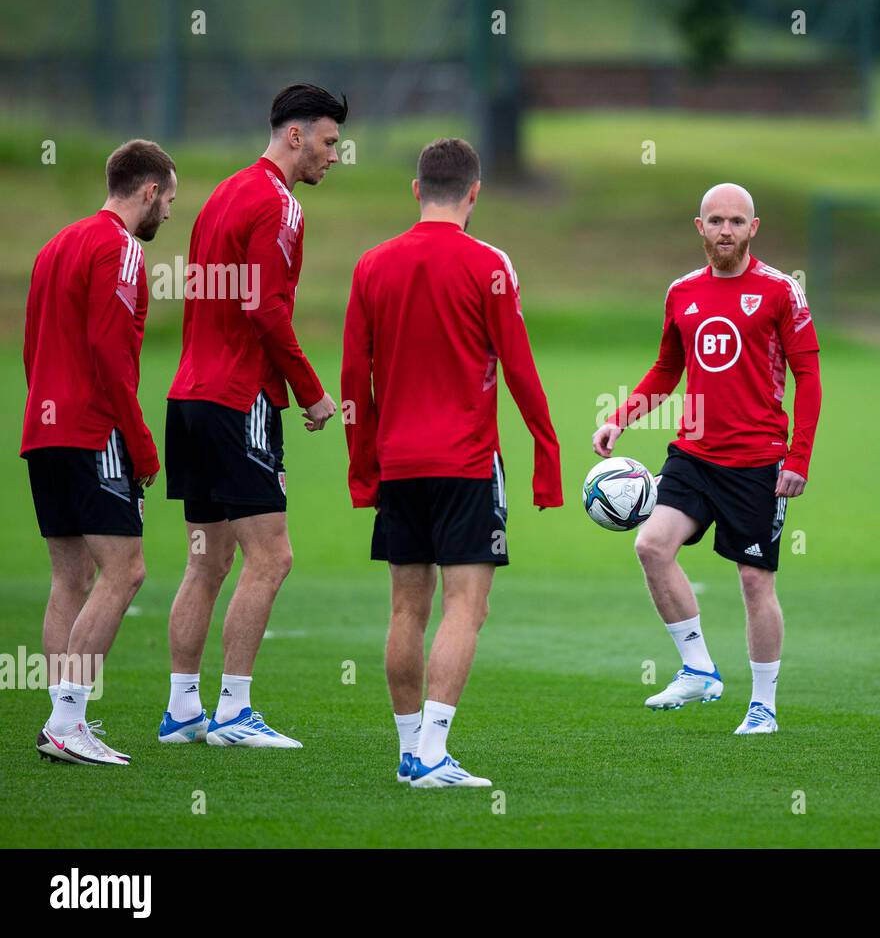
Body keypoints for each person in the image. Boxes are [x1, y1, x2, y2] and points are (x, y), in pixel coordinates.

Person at [342, 138, 563, 788]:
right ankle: (433, 752)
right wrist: (546, 460)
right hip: (466, 464)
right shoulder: (490, 265)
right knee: (467, 604)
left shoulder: (371, 264)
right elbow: (520, 369)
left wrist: (363, 472)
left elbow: (356, 379)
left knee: (407, 607)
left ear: (416, 191)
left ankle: (411, 750)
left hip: (399, 464)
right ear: (474, 193)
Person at [592, 183, 822, 735]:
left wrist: (799, 458)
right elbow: (667, 370)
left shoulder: (780, 291)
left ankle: (763, 704)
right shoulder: (681, 292)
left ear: (753, 228)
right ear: (700, 227)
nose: (726, 231)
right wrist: (620, 417)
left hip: (757, 460)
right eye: (716, 221)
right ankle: (698, 667)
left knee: (753, 580)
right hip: (693, 452)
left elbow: (809, 378)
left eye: (736, 222)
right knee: (651, 545)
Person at [159, 84, 345, 748]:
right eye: (328, 142)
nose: (333, 156)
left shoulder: (223, 194)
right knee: (271, 558)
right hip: (240, 400)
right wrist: (312, 391)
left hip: (188, 396)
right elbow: (265, 308)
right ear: (294, 136)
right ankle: (234, 712)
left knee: (205, 561)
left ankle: (183, 711)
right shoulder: (279, 204)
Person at [25, 140, 177, 764]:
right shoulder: (118, 248)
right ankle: (68, 721)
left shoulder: (55, 245)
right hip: (93, 431)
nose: (168, 214)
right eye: (168, 200)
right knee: (126, 571)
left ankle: (62, 718)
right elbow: (111, 355)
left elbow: (33, 349)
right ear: (147, 191)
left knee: (70, 577)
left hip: (44, 428)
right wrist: (140, 445)